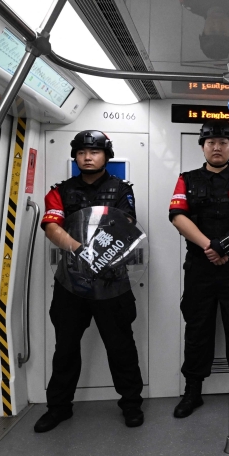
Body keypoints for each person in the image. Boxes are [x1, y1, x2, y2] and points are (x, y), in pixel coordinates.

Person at [34, 131, 144, 432]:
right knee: (66, 347)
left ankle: (132, 404)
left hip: (112, 280)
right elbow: (51, 226)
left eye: (94, 152)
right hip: (72, 282)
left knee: (121, 347)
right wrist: (79, 249)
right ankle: (58, 408)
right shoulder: (61, 191)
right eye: (82, 152)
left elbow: (126, 225)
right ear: (75, 156)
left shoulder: (122, 190)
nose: (87, 157)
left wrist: (100, 254)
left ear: (106, 156)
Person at [169, 122, 229, 417]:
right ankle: (193, 392)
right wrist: (211, 247)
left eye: (223, 142)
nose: (217, 147)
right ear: (202, 146)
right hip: (200, 270)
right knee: (198, 329)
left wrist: (225, 248)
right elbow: (177, 216)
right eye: (211, 142)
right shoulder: (187, 179)